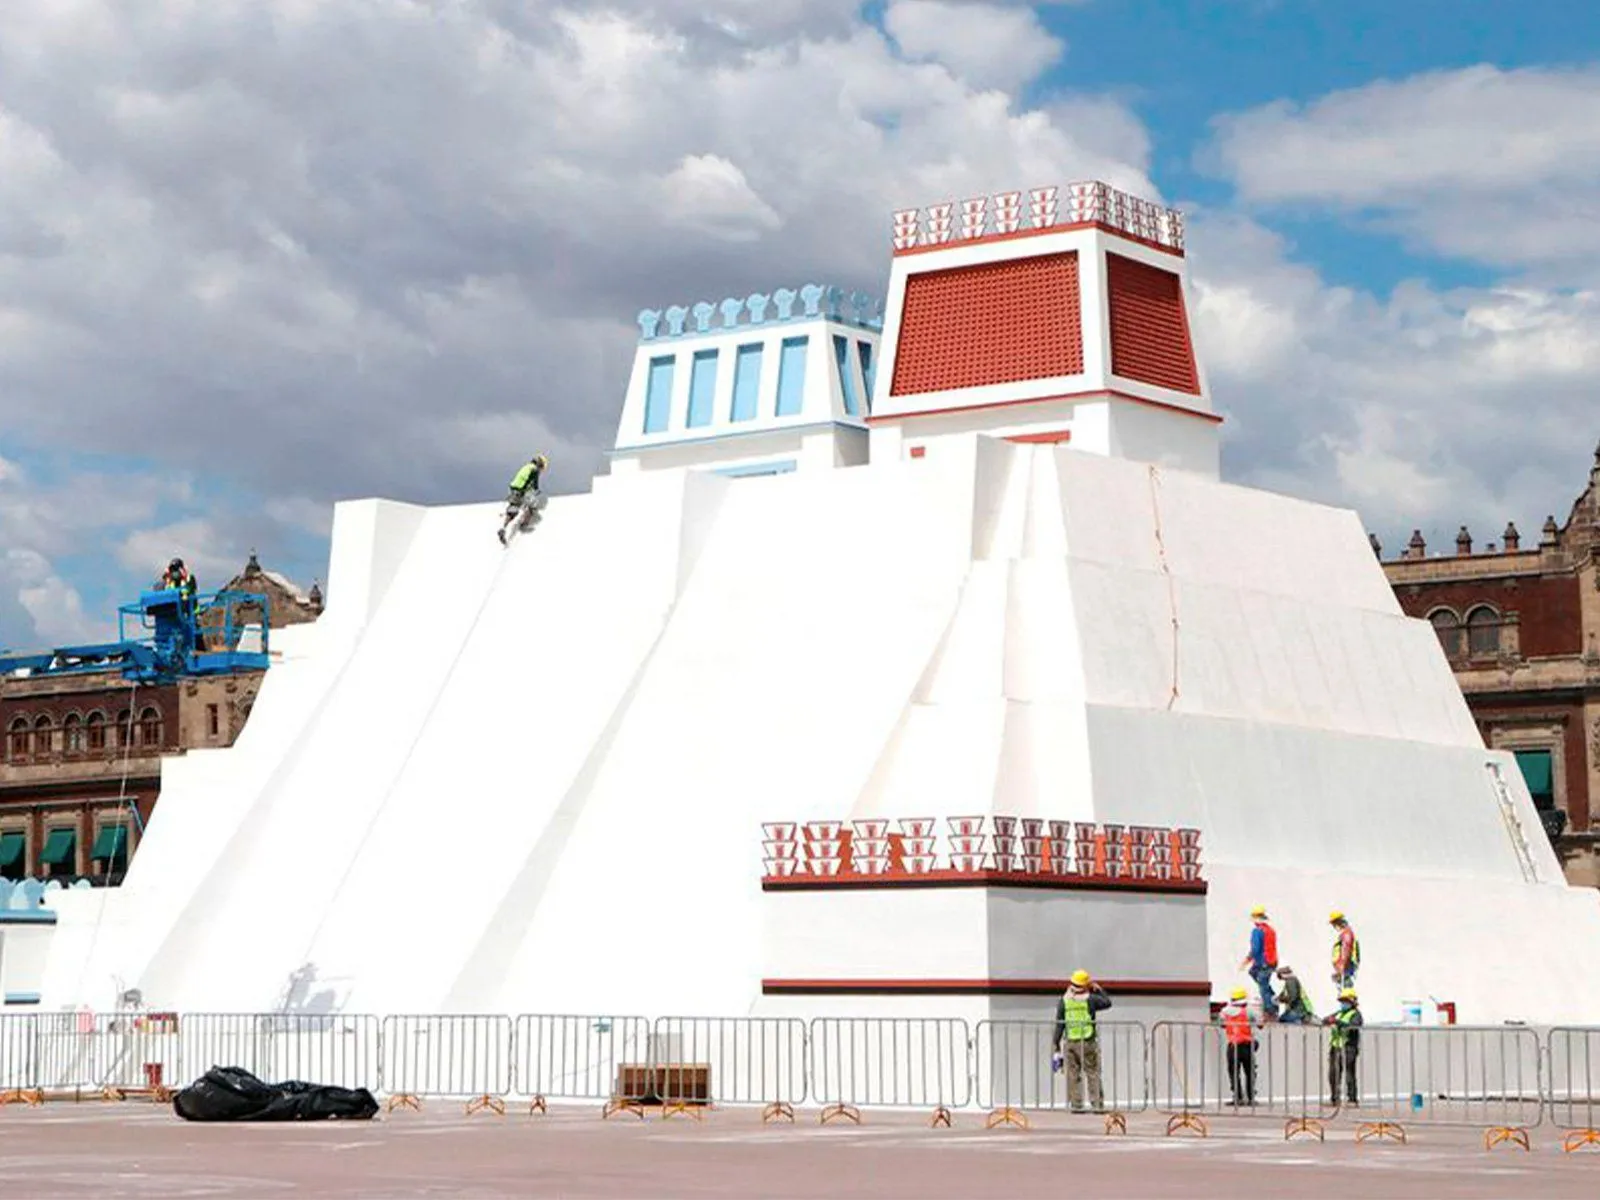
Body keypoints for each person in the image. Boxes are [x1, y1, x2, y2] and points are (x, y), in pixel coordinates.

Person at [1050, 969, 1112, 1112]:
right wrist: (1098, 989)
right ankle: (1097, 1105)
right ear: (1085, 985)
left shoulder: (1064, 1000)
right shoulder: (1090, 999)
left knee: (1073, 1074)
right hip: (1088, 1041)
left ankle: (1076, 1105)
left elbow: (1060, 1023)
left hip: (1071, 1041)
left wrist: (1056, 1043)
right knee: (1093, 1073)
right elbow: (1108, 1003)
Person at [1324, 988, 1363, 1106]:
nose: (1343, 1004)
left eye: (1345, 1001)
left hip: (1349, 1047)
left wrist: (1337, 1022)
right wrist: (1328, 1020)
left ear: (1352, 1001)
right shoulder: (1339, 1013)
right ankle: (1335, 1098)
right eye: (1342, 1001)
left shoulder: (1356, 1014)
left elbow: (1354, 1025)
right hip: (1336, 1047)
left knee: (1349, 1073)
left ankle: (1352, 1099)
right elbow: (1326, 1019)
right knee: (1333, 1073)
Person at [499, 453, 549, 544]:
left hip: (513, 489)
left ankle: (503, 528)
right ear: (540, 464)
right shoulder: (534, 470)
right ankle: (524, 525)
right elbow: (534, 485)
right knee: (532, 507)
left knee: (512, 511)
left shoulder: (526, 467)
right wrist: (537, 492)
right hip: (521, 491)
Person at [1220, 987, 1257, 1106]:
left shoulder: (1224, 1011)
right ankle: (1251, 1098)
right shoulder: (1249, 1011)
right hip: (1247, 1046)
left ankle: (1238, 1097)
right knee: (1250, 1072)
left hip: (1233, 1046)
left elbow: (1221, 1025)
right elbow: (1259, 1023)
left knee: (1233, 1072)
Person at [1239, 905, 1278, 1016]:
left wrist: (1246, 961)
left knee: (1262, 985)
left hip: (1263, 962)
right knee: (1259, 979)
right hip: (1272, 961)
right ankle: (1272, 998)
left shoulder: (1257, 931)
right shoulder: (1270, 930)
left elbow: (1255, 949)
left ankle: (1270, 1009)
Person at [1329, 910, 1360, 990]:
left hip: (1346, 971)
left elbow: (1346, 951)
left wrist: (1340, 971)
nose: (1333, 927)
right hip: (1345, 970)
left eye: (1333, 924)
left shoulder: (1346, 934)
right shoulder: (1346, 933)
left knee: (1346, 994)